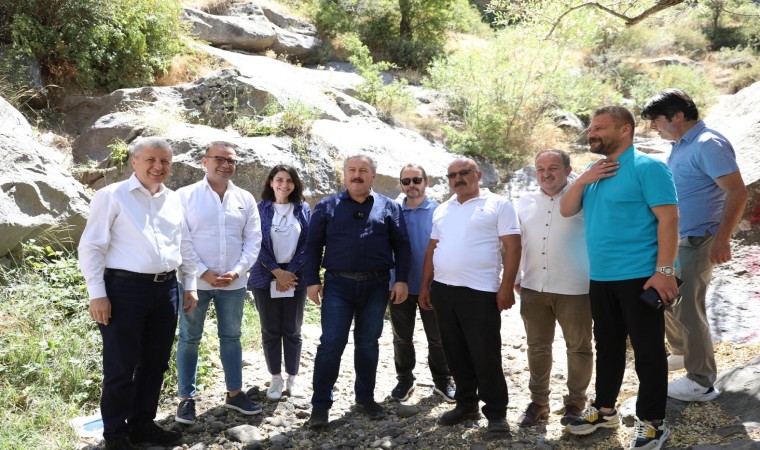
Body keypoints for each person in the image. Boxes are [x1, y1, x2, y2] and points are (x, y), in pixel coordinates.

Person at [560, 106, 679, 450]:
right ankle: (604, 410)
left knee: (648, 352)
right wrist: (582, 179)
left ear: (625, 129)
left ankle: (653, 423)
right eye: (590, 128)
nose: (591, 133)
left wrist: (665, 271)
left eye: (599, 127)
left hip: (640, 276)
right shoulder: (592, 171)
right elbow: (567, 209)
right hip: (601, 277)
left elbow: (669, 220)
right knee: (608, 346)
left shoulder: (648, 167)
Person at [79, 137, 198, 450]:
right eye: (151, 160)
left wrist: (190, 283)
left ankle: (142, 426)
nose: (158, 167)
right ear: (134, 162)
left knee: (155, 363)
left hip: (166, 289)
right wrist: (97, 294)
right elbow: (91, 246)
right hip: (124, 291)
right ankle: (115, 434)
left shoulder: (174, 199)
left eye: (165, 161)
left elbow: (184, 244)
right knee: (121, 366)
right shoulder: (111, 195)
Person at [642, 89, 748, 402]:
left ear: (677, 116)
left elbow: (737, 192)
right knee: (665, 298)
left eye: (656, 120)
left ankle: (701, 382)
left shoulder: (708, 143)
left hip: (699, 239)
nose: (653, 127)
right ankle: (681, 352)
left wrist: (722, 239)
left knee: (688, 307)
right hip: (677, 240)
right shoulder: (680, 146)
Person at [304, 154, 411, 429]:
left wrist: (401, 280)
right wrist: (311, 280)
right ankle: (320, 406)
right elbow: (313, 245)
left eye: (363, 170)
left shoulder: (389, 207)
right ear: (345, 174)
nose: (357, 175)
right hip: (338, 285)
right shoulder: (327, 206)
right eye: (351, 170)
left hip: (376, 286)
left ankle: (365, 398)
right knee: (331, 344)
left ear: (373, 176)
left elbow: (401, 245)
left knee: (368, 343)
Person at [418, 157, 521, 433]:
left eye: (464, 173)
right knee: (455, 351)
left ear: (478, 174)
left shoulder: (498, 204)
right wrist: (425, 286)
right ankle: (466, 404)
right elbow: (432, 249)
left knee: (485, 353)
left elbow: (513, 247)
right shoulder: (443, 209)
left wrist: (507, 286)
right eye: (452, 175)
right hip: (443, 290)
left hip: (480, 292)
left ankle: (496, 413)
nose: (458, 179)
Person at [174, 141, 262, 424]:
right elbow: (181, 238)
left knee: (232, 337)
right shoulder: (185, 196)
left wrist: (237, 271)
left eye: (231, 161)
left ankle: (234, 394)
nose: (226, 165)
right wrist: (203, 272)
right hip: (194, 282)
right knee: (189, 338)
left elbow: (254, 239)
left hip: (233, 284)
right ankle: (186, 399)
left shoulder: (245, 198)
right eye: (219, 159)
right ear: (204, 161)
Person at [515, 150, 593, 428]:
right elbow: (519, 241)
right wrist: (516, 275)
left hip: (576, 287)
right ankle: (539, 402)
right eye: (540, 169)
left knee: (579, 348)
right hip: (533, 286)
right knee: (537, 347)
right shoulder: (524, 201)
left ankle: (575, 404)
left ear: (568, 170)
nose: (546, 174)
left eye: (553, 168)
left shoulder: (585, 197)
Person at [389, 164, 455, 403]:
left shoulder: (440, 211)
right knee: (401, 337)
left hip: (433, 285)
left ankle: (443, 380)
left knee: (438, 338)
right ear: (401, 185)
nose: (411, 185)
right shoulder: (392, 212)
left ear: (426, 182)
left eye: (416, 180)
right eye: (406, 181)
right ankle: (404, 379)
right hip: (399, 285)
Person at [248, 164, 311, 401]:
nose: (284, 185)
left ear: (295, 184)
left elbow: (308, 242)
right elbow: (254, 242)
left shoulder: (303, 208)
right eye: (280, 180)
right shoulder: (259, 209)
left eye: (290, 180)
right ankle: (275, 378)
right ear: (271, 182)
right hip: (265, 276)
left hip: (295, 276)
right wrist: (276, 271)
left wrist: (289, 272)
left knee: (293, 330)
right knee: (270, 329)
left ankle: (293, 378)